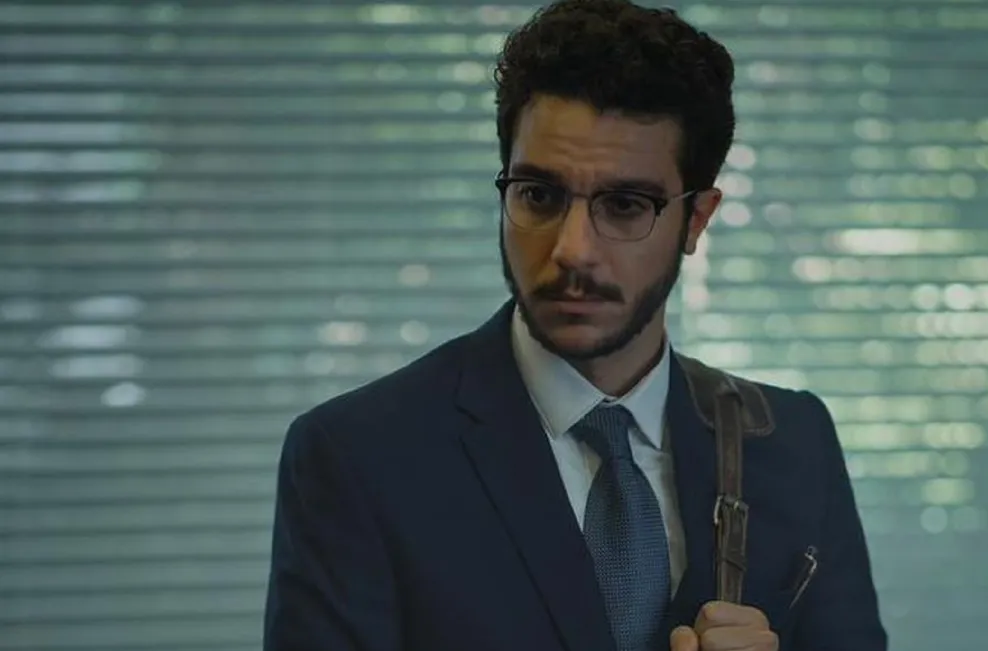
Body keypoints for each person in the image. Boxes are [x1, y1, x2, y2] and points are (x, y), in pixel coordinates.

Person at [262, 1, 887, 649]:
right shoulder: (357, 456)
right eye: (538, 195)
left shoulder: (793, 442)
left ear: (697, 219)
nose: (572, 251)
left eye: (625, 205)